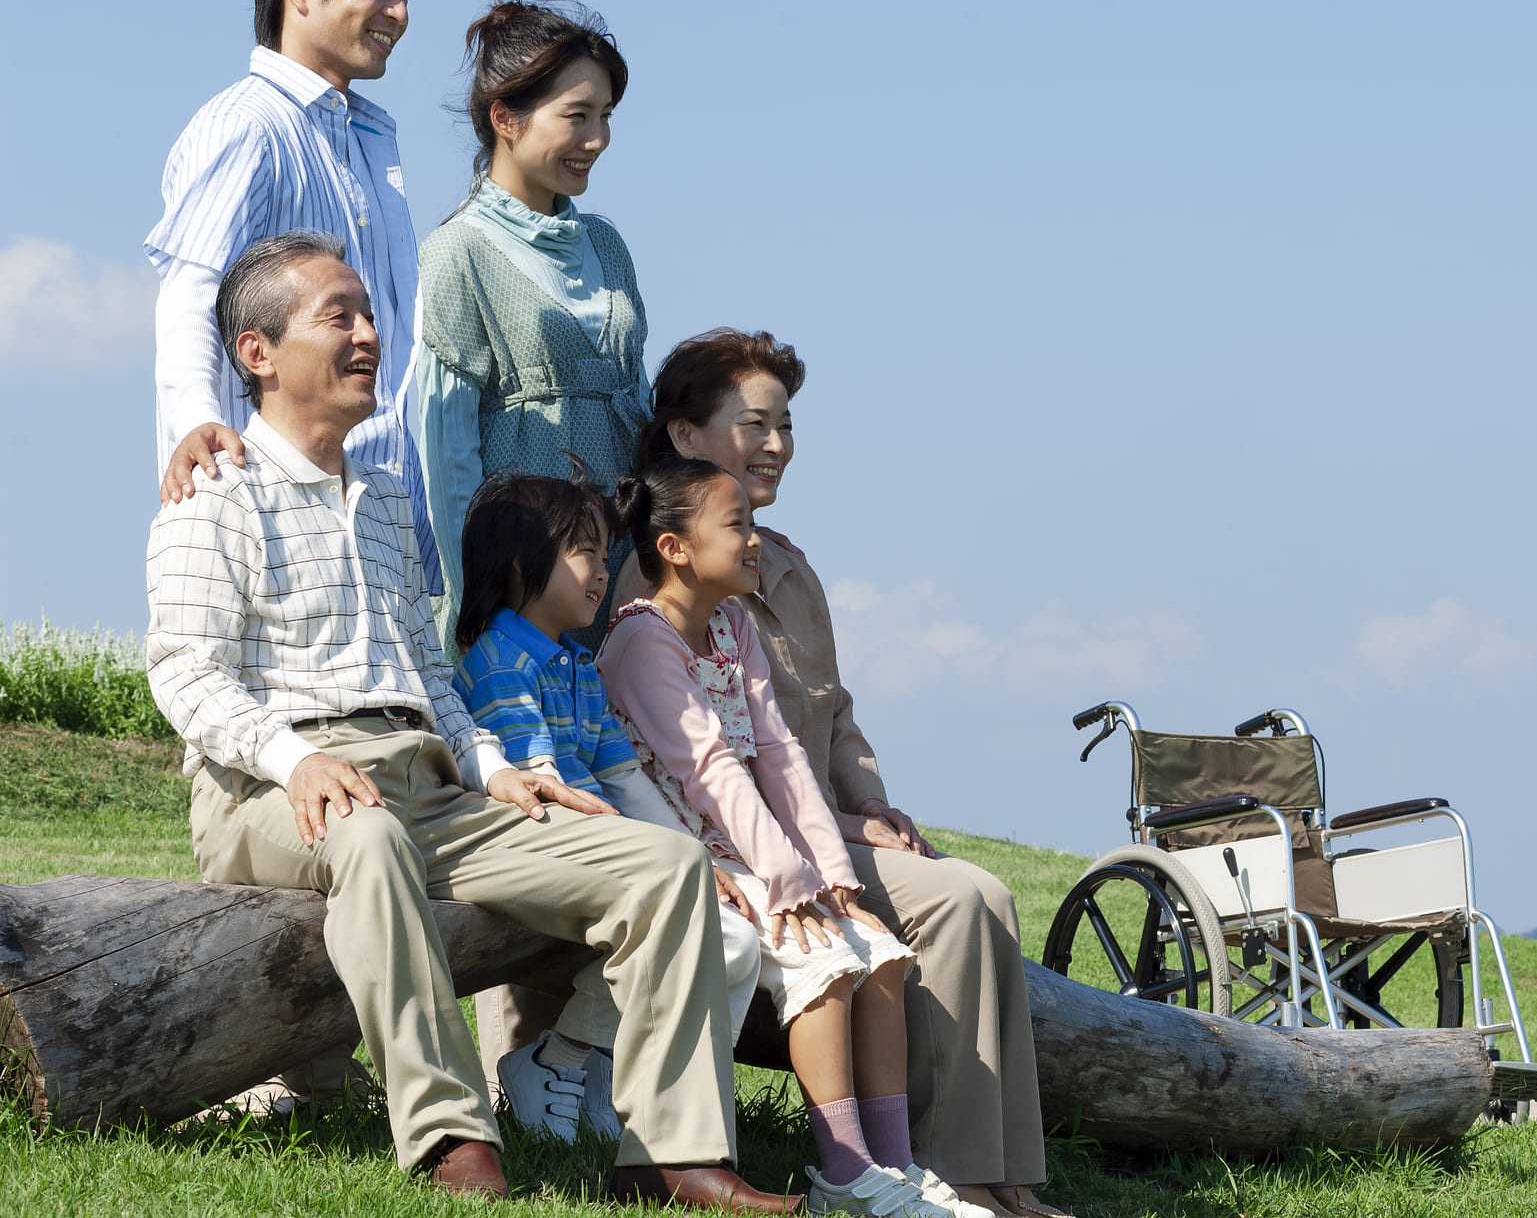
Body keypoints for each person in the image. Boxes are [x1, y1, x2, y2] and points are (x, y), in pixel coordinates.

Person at [145, 230, 793, 1212]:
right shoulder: (212, 496)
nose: (369, 335)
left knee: (662, 865)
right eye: (338, 317)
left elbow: (426, 670)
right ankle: (449, 1130)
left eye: (370, 315)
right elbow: (184, 671)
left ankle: (671, 1152)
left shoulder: (384, 498)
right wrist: (294, 759)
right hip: (269, 791)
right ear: (258, 352)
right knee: (366, 836)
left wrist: (491, 767)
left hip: (428, 784)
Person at [619, 331, 1065, 1218]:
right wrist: (817, 859)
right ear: (684, 436)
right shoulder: (652, 581)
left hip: (817, 833)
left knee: (980, 893)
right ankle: (938, 1169)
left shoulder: (788, 568)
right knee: (960, 901)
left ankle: (993, 1169)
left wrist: (870, 804)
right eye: (755, 423)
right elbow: (700, 762)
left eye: (786, 425)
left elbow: (831, 718)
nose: (777, 444)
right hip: (744, 847)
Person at [599, 457, 986, 1218]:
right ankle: (845, 1174)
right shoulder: (643, 641)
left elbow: (780, 755)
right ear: (675, 549)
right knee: (824, 964)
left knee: (881, 957)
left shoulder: (733, 627)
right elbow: (708, 771)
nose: (754, 541)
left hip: (755, 852)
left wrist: (832, 877)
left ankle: (894, 1169)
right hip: (692, 856)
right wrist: (789, 883)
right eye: (735, 525)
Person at [449, 465, 763, 1136]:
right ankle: (572, 1065)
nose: (601, 571)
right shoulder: (501, 663)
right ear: (520, 564)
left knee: (732, 939)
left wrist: (692, 859)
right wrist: (658, 861)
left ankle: (618, 1086)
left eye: (604, 553)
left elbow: (625, 779)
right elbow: (539, 788)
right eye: (585, 552)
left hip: (604, 847)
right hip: (544, 846)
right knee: (720, 940)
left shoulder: (576, 667)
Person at [148, 0, 441, 606]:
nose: (399, 12)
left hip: (375, 504)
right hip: (272, 511)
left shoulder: (364, 141)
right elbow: (192, 293)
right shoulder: (247, 126)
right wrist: (196, 427)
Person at [414, 0, 651, 653]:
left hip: (622, 574)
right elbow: (445, 459)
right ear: (505, 119)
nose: (597, 139)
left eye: (606, 116)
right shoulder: (457, 253)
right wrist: (470, 619)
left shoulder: (607, 245)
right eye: (577, 115)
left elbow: (641, 406)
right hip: (522, 593)